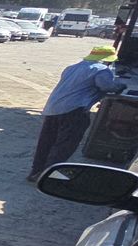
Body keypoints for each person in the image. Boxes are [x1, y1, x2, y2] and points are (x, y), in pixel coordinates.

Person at [29, 45, 122, 180]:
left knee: (46, 142)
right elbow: (107, 86)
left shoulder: (72, 68)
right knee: (64, 144)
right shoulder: (101, 70)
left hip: (52, 109)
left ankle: (35, 171)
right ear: (107, 60)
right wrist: (120, 86)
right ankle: (46, 175)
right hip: (74, 111)